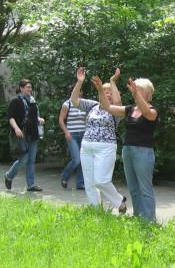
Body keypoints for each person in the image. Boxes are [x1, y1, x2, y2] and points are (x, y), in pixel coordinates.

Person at [96, 77, 159, 222]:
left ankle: (150, 221)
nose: (134, 92)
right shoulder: (130, 109)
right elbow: (108, 107)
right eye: (134, 90)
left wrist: (136, 93)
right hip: (127, 150)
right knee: (133, 188)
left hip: (143, 151)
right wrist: (100, 90)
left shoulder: (153, 110)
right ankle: (139, 218)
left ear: (147, 93)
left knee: (145, 188)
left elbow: (147, 114)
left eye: (139, 90)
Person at [69, 67, 127, 214]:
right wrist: (79, 81)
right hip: (87, 146)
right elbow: (74, 100)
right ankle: (96, 211)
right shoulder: (92, 105)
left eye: (110, 92)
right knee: (89, 183)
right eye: (105, 91)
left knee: (101, 181)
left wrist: (111, 82)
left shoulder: (116, 109)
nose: (108, 94)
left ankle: (119, 201)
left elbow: (118, 101)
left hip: (106, 147)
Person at [5, 79, 44, 192]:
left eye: (31, 87)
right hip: (21, 134)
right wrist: (16, 128)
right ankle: (9, 176)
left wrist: (39, 119)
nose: (30, 89)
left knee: (31, 160)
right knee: (24, 159)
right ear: (21, 88)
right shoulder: (15, 101)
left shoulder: (32, 101)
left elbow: (34, 116)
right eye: (27, 87)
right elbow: (10, 117)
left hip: (33, 133)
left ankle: (31, 185)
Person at [58, 90, 87, 190]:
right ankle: (64, 176)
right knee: (77, 159)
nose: (79, 93)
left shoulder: (84, 103)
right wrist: (66, 132)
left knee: (82, 159)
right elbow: (61, 120)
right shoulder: (67, 104)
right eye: (77, 91)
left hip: (84, 134)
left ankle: (80, 183)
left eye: (80, 91)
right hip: (72, 135)